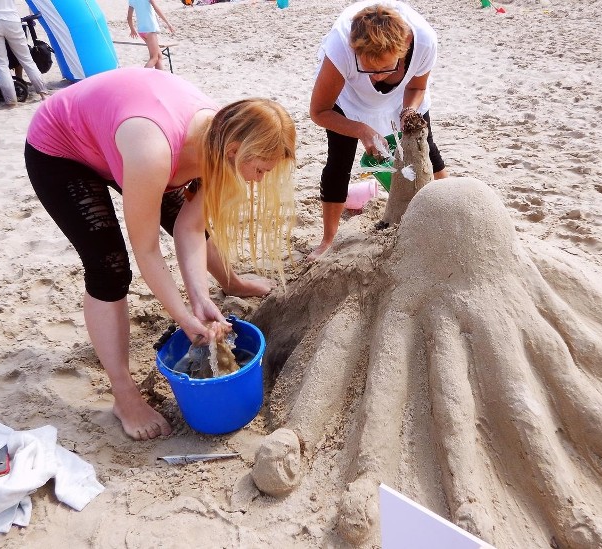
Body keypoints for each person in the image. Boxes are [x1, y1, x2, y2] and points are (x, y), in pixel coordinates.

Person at [24, 67, 296, 440]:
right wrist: (184, 318)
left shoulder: (225, 138)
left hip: (127, 137)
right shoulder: (154, 152)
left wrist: (199, 298)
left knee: (189, 225)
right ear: (234, 151)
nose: (260, 180)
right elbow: (147, 250)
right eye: (260, 170)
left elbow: (189, 227)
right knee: (110, 267)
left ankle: (229, 282)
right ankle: (124, 395)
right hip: (64, 147)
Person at [308, 1, 449, 260]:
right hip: (348, 98)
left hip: (403, 97)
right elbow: (319, 111)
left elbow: (416, 88)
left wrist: (409, 111)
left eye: (383, 69)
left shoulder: (424, 41)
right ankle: (329, 240)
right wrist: (362, 130)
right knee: (339, 160)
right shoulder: (341, 47)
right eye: (367, 69)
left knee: (427, 147)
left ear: (404, 46)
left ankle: (450, 212)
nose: (374, 78)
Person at [0, 0, 49, 106]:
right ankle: (43, 93)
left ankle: (11, 100)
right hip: (11, 17)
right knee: (26, 59)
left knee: (1, 65)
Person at [127, 0, 175, 70]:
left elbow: (129, 17)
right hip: (150, 29)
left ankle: (159, 79)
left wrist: (132, 29)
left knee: (159, 57)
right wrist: (168, 23)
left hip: (141, 31)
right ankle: (141, 77)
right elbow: (156, 9)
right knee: (154, 58)